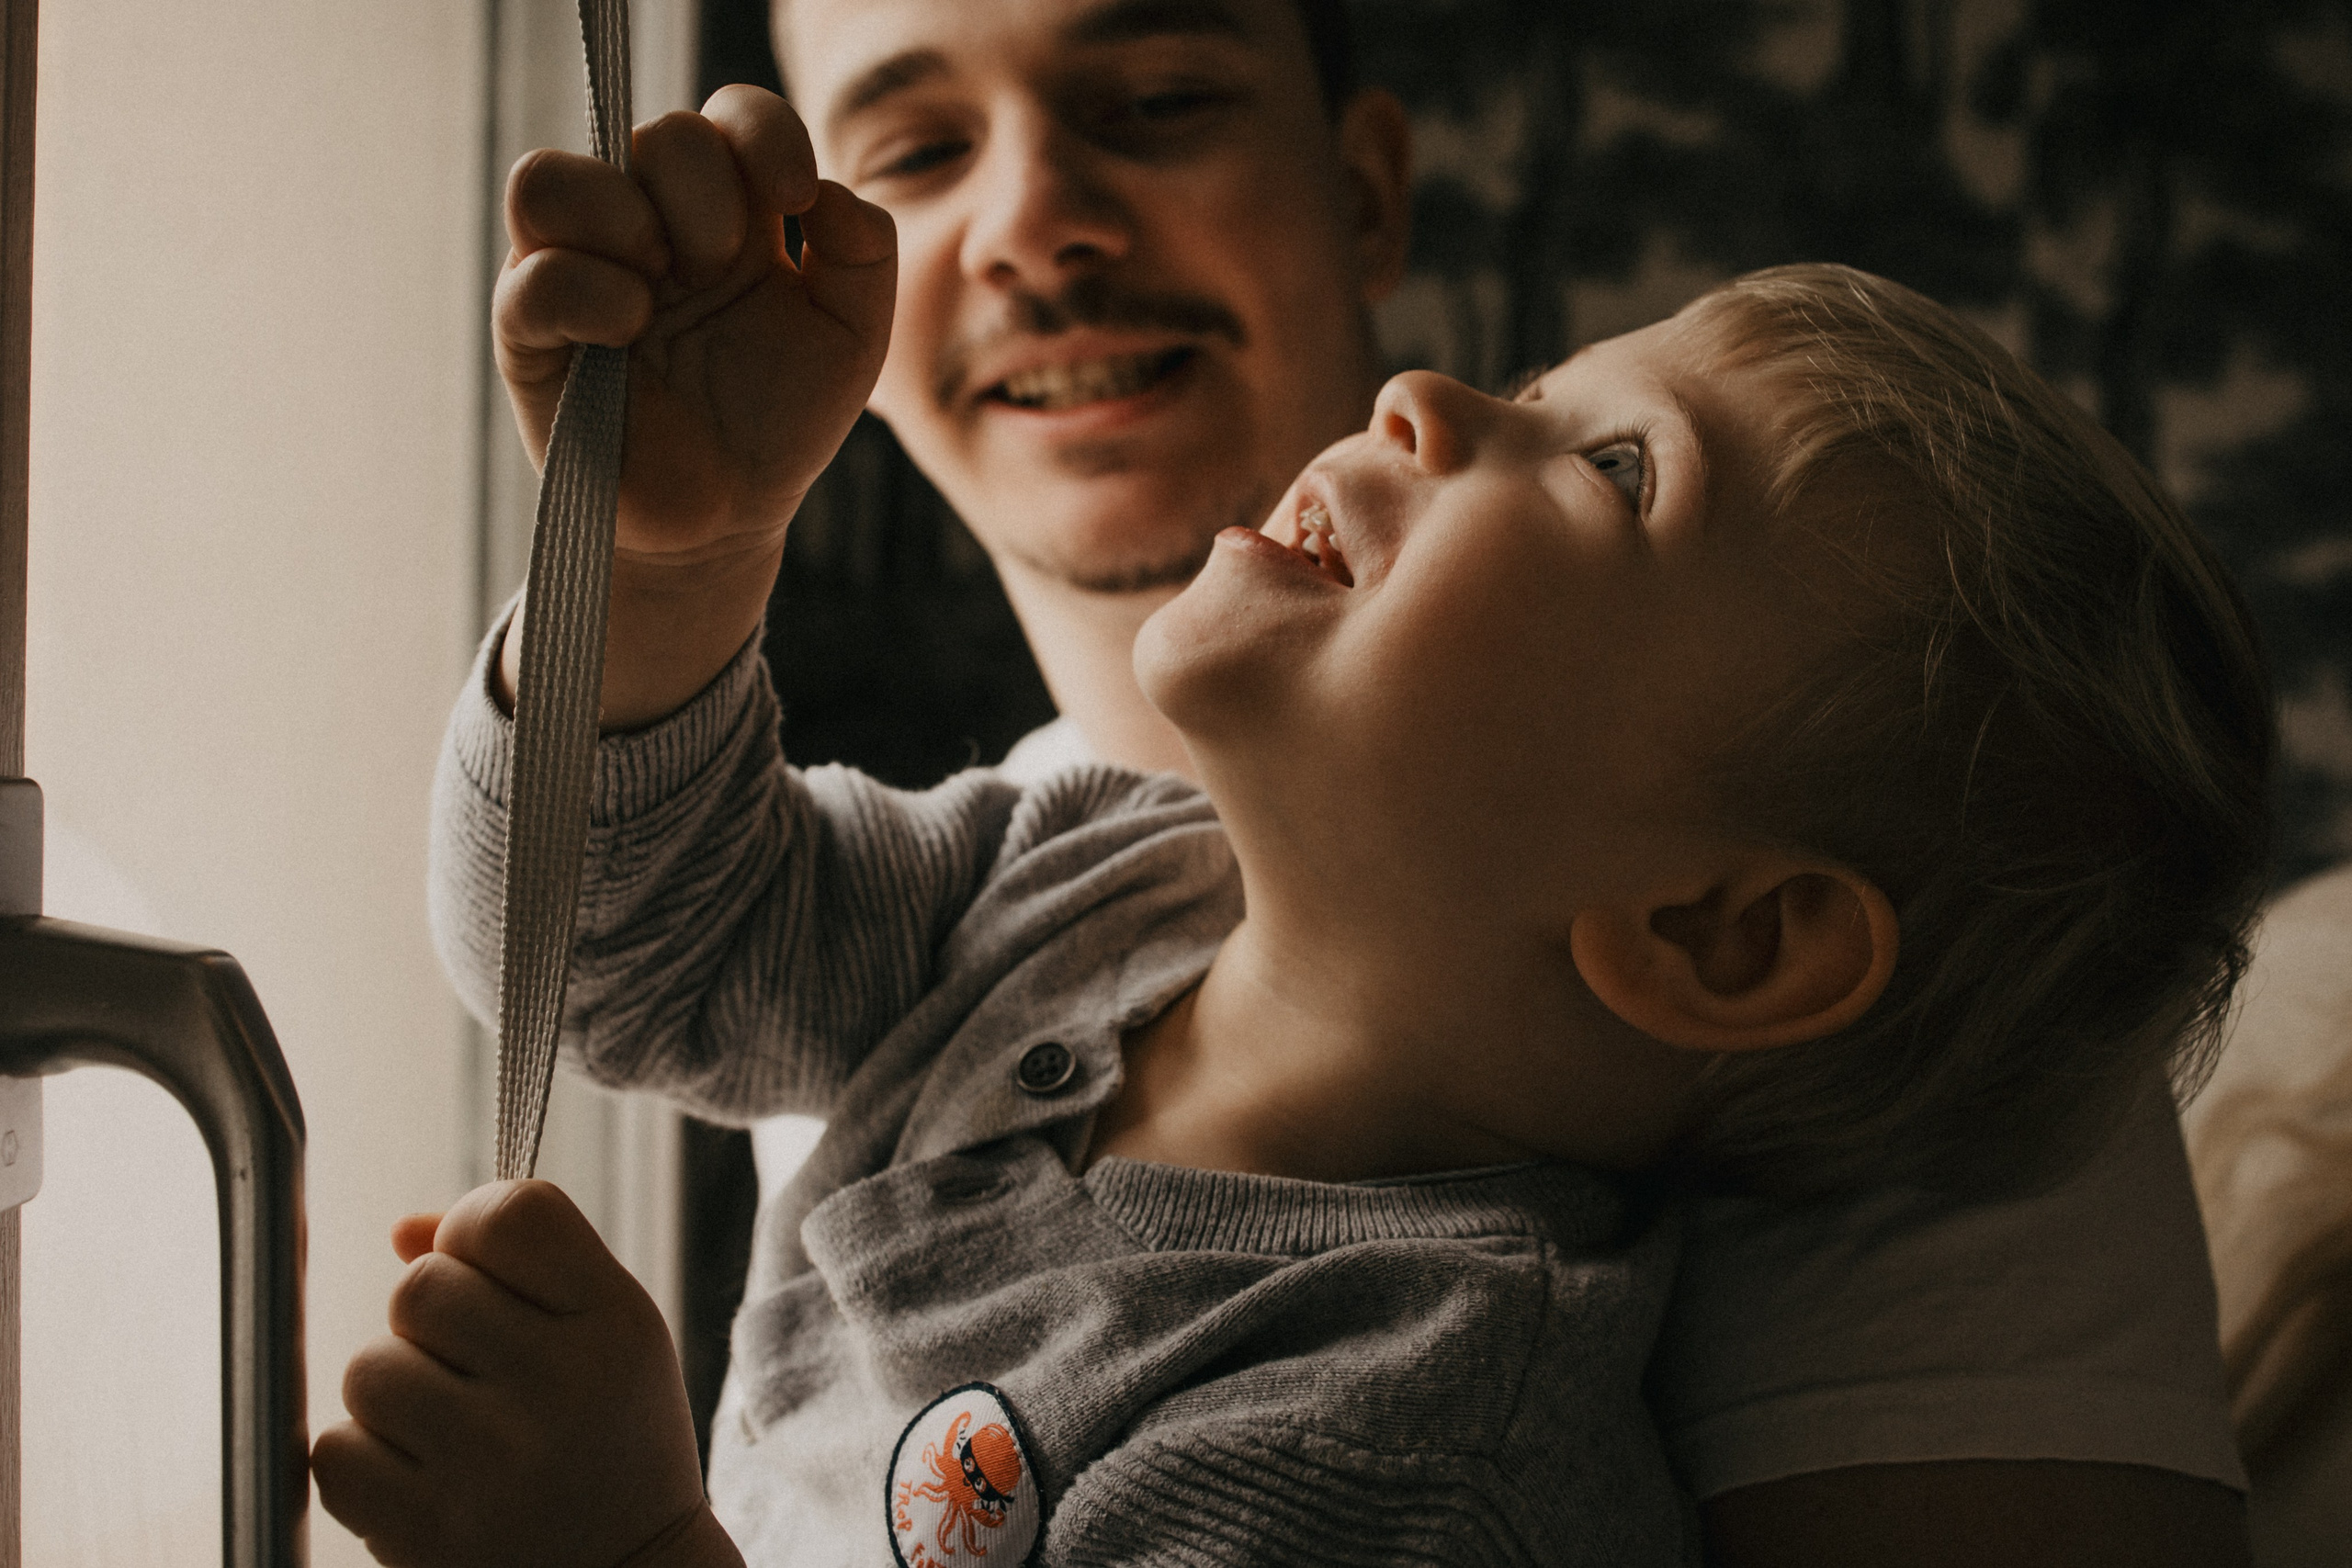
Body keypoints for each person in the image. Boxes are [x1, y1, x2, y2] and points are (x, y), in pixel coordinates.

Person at [346, 1, 2261, 1560]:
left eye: (1610, 470)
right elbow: (625, 954)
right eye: (915, 151)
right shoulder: (1084, 871)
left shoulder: (1394, 1452)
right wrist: (672, 563)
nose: (1434, 398)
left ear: (1722, 927)